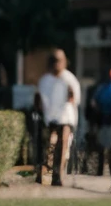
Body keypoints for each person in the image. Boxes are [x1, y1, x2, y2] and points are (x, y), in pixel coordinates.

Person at [34, 49, 81, 187]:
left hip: (65, 117)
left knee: (62, 144)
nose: (56, 64)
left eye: (59, 61)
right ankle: (43, 173)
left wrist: (71, 97)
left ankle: (58, 175)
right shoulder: (45, 80)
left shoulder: (69, 79)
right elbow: (39, 101)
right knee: (48, 145)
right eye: (54, 61)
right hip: (49, 118)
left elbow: (75, 100)